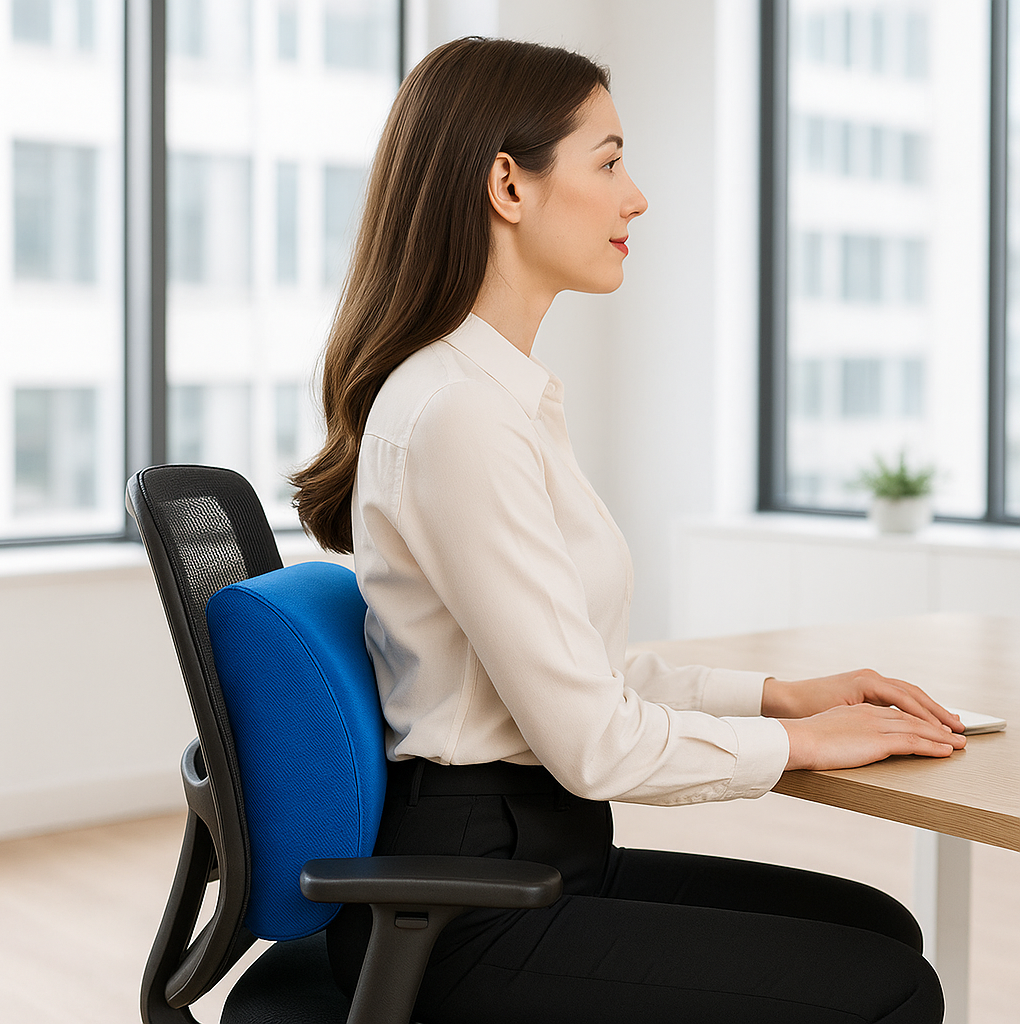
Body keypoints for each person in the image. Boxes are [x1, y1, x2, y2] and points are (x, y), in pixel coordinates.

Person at [292, 36, 965, 1024]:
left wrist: (780, 693)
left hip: (536, 852)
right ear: (508, 186)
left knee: (876, 929)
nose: (635, 197)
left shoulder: (497, 398)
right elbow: (594, 743)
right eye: (607, 162)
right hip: (473, 907)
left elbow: (580, 677)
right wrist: (799, 741)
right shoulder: (461, 415)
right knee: (893, 987)